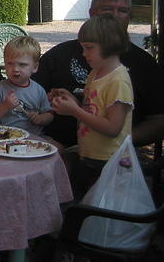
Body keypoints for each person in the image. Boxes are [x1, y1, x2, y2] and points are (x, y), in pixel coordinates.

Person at [34, 0, 164, 147]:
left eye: (122, 11)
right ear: (91, 14)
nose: (115, 16)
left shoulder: (141, 65)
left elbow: (158, 120)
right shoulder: (59, 55)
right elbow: (28, 94)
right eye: (107, 9)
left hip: (109, 154)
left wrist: (122, 141)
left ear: (129, 16)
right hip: (56, 145)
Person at [51, 14, 133, 200]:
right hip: (89, 155)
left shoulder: (118, 81)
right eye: (83, 48)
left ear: (109, 45)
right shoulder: (96, 73)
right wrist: (72, 100)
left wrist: (75, 111)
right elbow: (93, 111)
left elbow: (113, 128)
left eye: (89, 48)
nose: (83, 53)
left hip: (109, 161)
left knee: (96, 210)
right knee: (81, 202)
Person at [0, 36, 53, 136]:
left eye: (22, 65)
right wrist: (5, 107)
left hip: (33, 137)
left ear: (34, 67)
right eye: (10, 64)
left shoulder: (38, 90)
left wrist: (41, 119)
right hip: (5, 136)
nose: (15, 69)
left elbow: (50, 114)